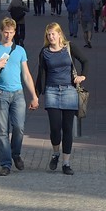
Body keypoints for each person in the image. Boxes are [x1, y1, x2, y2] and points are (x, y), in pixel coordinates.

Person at [0, 15, 39, 176]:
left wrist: (34, 96)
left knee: (19, 128)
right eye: (5, 32)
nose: (8, 35)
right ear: (1, 32)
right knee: (2, 131)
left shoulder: (20, 50)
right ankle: (5, 164)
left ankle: (15, 153)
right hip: (0, 93)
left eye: (11, 32)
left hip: (18, 94)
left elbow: (26, 75)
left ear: (15, 33)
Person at [34, 21, 86, 175]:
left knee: (68, 128)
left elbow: (85, 61)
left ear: (59, 34)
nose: (51, 37)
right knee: (55, 128)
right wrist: (35, 96)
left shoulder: (69, 47)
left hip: (69, 91)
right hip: (51, 91)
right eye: (48, 34)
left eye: (53, 34)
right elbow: (40, 74)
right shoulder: (44, 52)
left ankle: (66, 163)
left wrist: (83, 76)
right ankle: (56, 153)